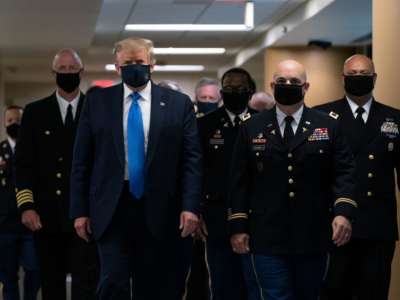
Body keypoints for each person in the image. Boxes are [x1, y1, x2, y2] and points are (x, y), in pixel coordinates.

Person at [70, 37, 202, 300]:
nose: (134, 67)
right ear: (117, 67)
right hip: (111, 206)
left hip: (161, 207)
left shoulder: (178, 103)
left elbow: (191, 160)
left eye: (140, 62)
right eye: (127, 63)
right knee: (113, 281)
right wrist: (79, 211)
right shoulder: (97, 103)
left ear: (151, 64)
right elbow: (82, 161)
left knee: (153, 283)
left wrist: (190, 206)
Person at [228, 59, 357, 300]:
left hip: (313, 234)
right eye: (282, 81)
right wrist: (238, 226)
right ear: (271, 85)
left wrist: (343, 212)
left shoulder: (327, 125)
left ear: (306, 87)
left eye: (295, 82)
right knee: (275, 295)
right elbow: (239, 180)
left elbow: (344, 172)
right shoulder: (252, 126)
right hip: (266, 235)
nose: (288, 85)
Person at [15, 49, 99, 300]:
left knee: (87, 283)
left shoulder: (96, 110)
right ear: (53, 73)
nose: (67, 73)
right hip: (47, 216)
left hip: (86, 215)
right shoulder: (34, 112)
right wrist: (26, 206)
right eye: (62, 69)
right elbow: (23, 165)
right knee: (51, 283)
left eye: (72, 69)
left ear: (81, 72)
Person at [315, 54, 400, 300]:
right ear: (342, 79)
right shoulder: (322, 117)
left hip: (378, 226)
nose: (358, 79)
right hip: (334, 223)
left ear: (374, 78)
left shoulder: (393, 118)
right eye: (352, 75)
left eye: (364, 75)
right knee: (333, 291)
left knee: (374, 291)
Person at [195, 68, 258, 300]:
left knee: (253, 282)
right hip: (215, 213)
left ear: (250, 92)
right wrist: (196, 209)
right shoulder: (204, 125)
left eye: (240, 89)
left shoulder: (262, 122)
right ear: (222, 92)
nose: (234, 93)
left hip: (254, 214)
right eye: (229, 88)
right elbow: (196, 171)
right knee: (222, 282)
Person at [0, 105, 40, 300]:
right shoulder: (0, 151)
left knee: (34, 270)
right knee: (8, 277)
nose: (14, 124)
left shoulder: (36, 151)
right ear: (4, 124)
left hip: (30, 226)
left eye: (18, 121)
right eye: (10, 121)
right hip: (4, 225)